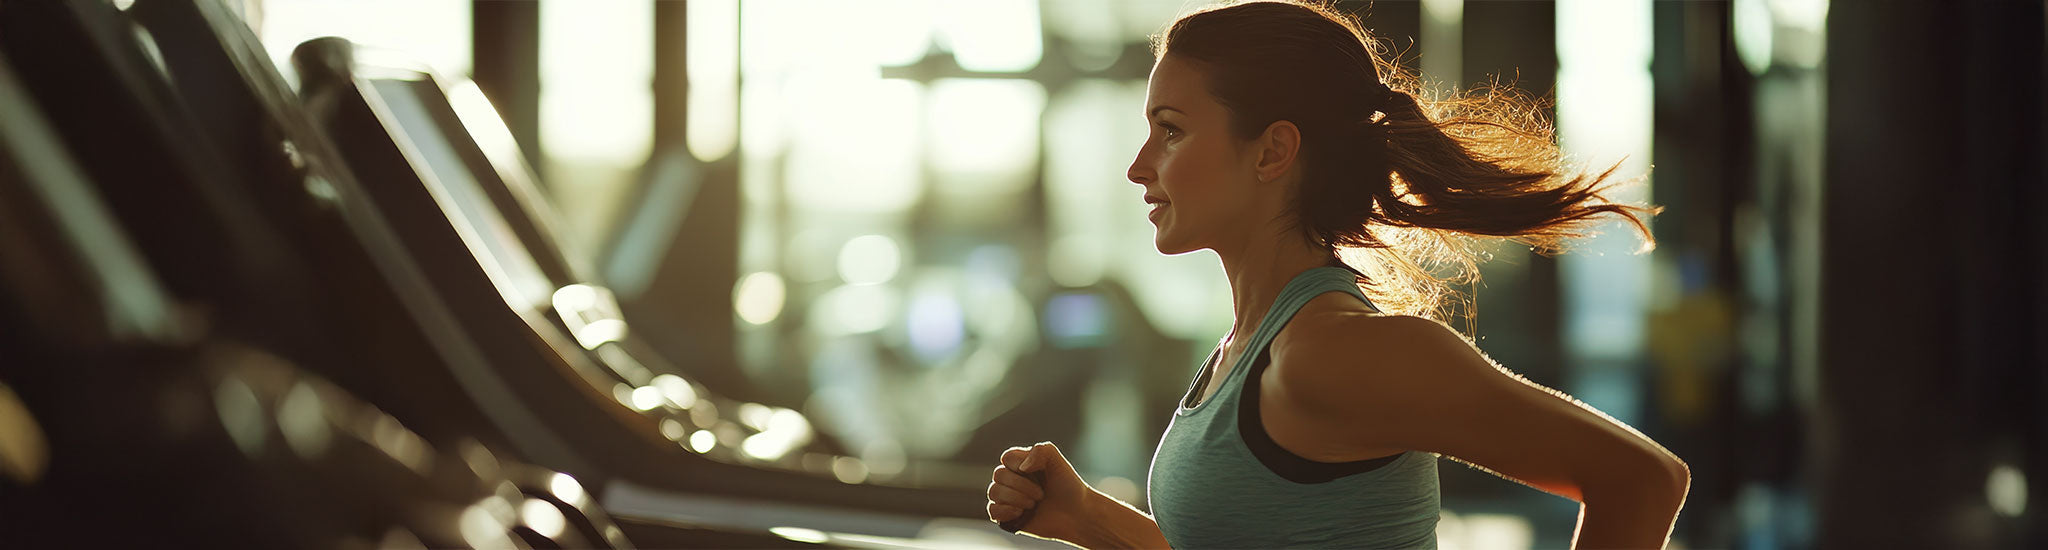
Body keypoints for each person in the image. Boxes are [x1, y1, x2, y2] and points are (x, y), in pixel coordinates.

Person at [984, 1, 1689, 548]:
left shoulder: (1334, 353)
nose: (1140, 165)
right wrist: (1085, 519)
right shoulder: (1251, 348)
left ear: (1271, 153)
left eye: (1170, 129)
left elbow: (1641, 479)